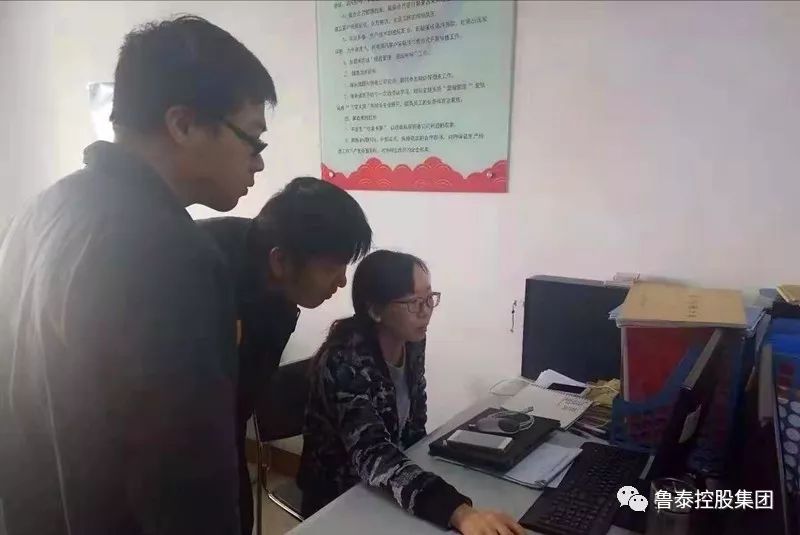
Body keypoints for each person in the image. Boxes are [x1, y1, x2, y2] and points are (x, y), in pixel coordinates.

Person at [0, 15, 275, 535]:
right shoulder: (172, 254)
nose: (257, 164)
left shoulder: (42, 210)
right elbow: (188, 481)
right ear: (183, 124)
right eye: (253, 140)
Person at [298, 250, 525, 535]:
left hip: (389, 487)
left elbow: (415, 427)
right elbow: (374, 455)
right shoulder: (343, 362)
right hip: (340, 499)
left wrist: (434, 480)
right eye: (414, 303)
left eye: (429, 299)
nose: (425, 311)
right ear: (375, 310)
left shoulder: (412, 341)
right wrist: (457, 511)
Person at [198, 176, 372, 535]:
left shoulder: (280, 298)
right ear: (280, 261)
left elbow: (239, 401)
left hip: (223, 432)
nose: (341, 282)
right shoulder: (198, 268)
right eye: (331, 269)